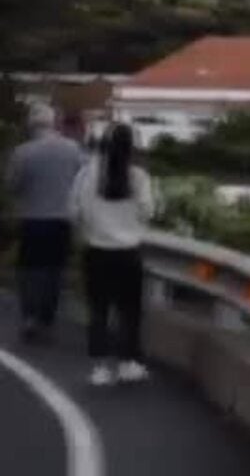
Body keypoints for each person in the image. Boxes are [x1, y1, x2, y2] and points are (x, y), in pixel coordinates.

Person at [68, 122, 157, 386]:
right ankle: (128, 363)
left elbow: (73, 211)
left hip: (97, 251)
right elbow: (148, 211)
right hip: (129, 253)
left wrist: (90, 227)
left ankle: (99, 368)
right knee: (130, 310)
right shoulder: (138, 177)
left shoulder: (87, 175)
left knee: (98, 310)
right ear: (132, 148)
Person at [5, 103, 88, 343]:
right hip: (62, 220)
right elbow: (83, 180)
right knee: (54, 270)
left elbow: (12, 185)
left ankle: (30, 316)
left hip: (32, 219)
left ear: (31, 126)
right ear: (54, 124)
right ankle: (47, 318)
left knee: (29, 270)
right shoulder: (73, 150)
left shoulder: (22, 153)